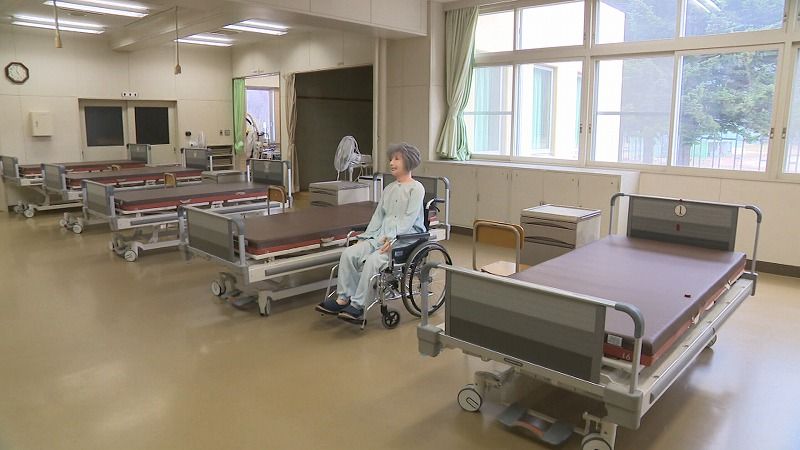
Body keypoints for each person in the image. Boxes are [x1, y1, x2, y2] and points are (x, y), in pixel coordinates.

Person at [315, 143, 425, 322]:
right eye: (391, 159)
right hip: (380, 236)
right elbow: (378, 216)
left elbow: (409, 219)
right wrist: (366, 237)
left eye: (397, 159)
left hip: (404, 239)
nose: (391, 162)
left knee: (373, 261)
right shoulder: (389, 189)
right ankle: (343, 299)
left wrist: (393, 238)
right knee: (349, 254)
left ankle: (358, 306)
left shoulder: (416, 188)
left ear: (409, 162)